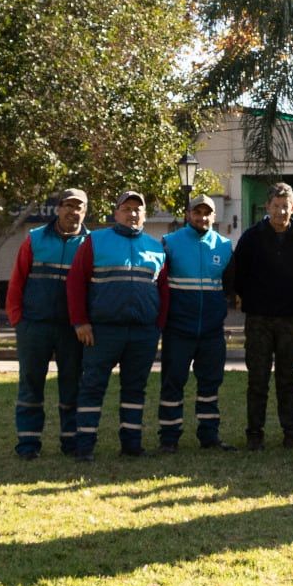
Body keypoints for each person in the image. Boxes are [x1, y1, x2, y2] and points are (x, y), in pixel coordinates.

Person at [66, 191, 168, 461]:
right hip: (102, 331)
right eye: (127, 208)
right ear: (116, 213)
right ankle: (84, 447)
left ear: (145, 215)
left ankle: (132, 445)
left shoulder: (156, 247)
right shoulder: (95, 241)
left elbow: (164, 291)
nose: (132, 214)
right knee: (92, 387)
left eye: (138, 209)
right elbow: (75, 282)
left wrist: (157, 326)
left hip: (143, 332)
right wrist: (80, 322)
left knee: (135, 389)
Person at [224, 182, 293, 450]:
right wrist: (238, 296)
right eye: (276, 206)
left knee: (287, 379)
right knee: (258, 379)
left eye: (285, 207)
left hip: (290, 320)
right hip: (259, 319)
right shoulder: (251, 238)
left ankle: (291, 433)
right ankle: (254, 435)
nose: (281, 212)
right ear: (267, 207)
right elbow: (235, 274)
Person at [4, 187, 90, 459]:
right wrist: (18, 319)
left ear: (85, 212)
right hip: (34, 325)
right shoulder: (35, 239)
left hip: (71, 329)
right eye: (68, 205)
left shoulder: (91, 244)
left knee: (72, 385)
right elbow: (17, 280)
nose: (72, 211)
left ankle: (71, 443)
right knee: (30, 384)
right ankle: (28, 445)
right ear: (58, 208)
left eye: (79, 207)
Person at [159, 194, 236, 452]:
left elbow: (231, 286)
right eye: (197, 212)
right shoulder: (169, 243)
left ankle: (209, 436)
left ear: (214, 216)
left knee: (210, 385)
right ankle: (169, 439)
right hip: (178, 329)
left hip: (212, 331)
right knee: (173, 383)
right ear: (188, 214)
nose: (202, 217)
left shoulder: (224, 246)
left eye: (207, 213)